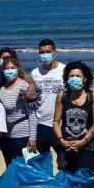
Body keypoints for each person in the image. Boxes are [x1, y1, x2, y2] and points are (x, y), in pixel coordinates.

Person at [54, 61, 94, 174]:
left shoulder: (93, 97)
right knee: (66, 181)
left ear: (85, 79)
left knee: (85, 181)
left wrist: (83, 142)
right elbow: (56, 121)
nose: (74, 79)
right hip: (66, 145)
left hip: (87, 146)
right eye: (71, 76)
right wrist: (61, 140)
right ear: (67, 78)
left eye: (78, 76)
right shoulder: (62, 96)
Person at [0, 53, 38, 167]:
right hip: (7, 136)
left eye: (12, 68)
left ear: (18, 69)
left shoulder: (24, 86)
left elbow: (32, 113)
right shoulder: (1, 89)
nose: (9, 71)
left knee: (25, 169)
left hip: (23, 136)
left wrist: (33, 138)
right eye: (6, 68)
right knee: (11, 167)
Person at [31, 39, 66, 167]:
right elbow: (33, 100)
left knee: (63, 162)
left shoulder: (64, 70)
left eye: (48, 51)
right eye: (42, 52)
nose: (45, 54)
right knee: (43, 164)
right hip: (41, 124)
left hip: (60, 124)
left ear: (54, 52)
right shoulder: (35, 73)